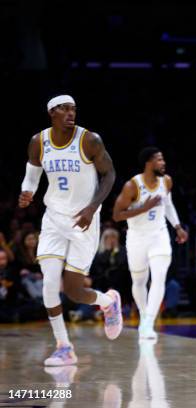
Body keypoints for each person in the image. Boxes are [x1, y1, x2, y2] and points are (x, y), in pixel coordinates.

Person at [18, 95, 121, 366]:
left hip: (83, 221)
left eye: (73, 108)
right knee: (50, 285)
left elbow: (109, 174)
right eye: (64, 109)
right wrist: (26, 192)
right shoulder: (38, 142)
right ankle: (64, 346)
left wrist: (91, 208)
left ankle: (108, 301)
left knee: (75, 291)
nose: (70, 112)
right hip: (53, 218)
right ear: (52, 112)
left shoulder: (89, 140)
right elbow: (32, 174)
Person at [112, 147, 188, 340]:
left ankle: (147, 323)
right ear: (149, 163)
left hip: (159, 235)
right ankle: (144, 314)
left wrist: (177, 226)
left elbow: (168, 204)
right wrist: (144, 208)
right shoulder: (132, 186)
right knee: (139, 281)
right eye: (159, 160)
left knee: (159, 277)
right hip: (137, 237)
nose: (163, 163)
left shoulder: (166, 181)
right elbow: (116, 215)